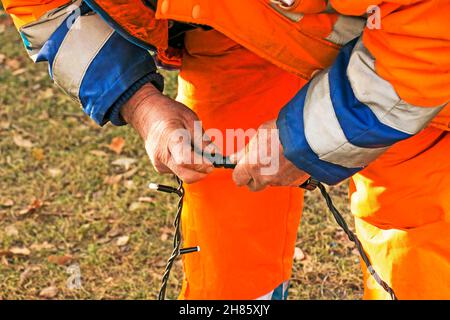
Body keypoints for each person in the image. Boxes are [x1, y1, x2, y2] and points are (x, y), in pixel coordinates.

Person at [2, 0, 364, 299]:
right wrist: (141, 105)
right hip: (230, 34)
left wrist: (314, 134)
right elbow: (43, 9)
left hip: (391, 42)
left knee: (409, 231)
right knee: (227, 217)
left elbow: (415, 54)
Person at [233, 0, 450, 299]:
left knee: (417, 232)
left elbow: (432, 35)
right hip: (391, 73)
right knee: (405, 234)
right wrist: (144, 96)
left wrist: (303, 142)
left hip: (415, 76)